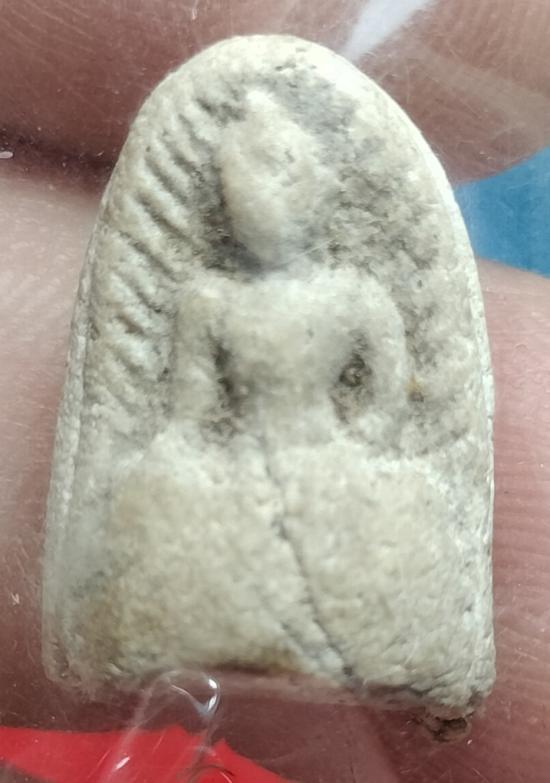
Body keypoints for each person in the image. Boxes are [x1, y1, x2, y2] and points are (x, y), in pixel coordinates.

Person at [0, 1, 549, 781]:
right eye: (241, 183)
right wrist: (185, 460)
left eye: (281, 176)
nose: (261, 200)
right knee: (149, 484)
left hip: (335, 465)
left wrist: (349, 452)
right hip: (228, 472)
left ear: (318, 185)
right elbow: (191, 416)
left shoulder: (357, 297)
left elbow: (384, 405)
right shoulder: (208, 300)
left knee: (410, 495)